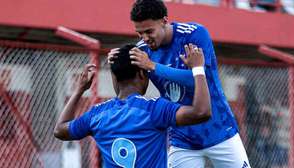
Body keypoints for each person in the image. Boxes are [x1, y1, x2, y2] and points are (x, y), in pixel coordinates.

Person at [108, 0, 250, 167]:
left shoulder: (194, 34)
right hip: (182, 139)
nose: (145, 38)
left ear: (164, 21)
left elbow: (198, 79)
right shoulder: (142, 51)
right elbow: (128, 92)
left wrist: (153, 66)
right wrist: (114, 67)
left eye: (149, 31)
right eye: (140, 34)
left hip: (219, 131)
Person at [54, 44, 211, 167]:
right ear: (142, 74)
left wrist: (79, 90)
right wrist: (198, 69)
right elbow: (201, 112)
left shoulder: (97, 115)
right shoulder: (154, 109)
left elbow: (60, 130)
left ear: (114, 77)